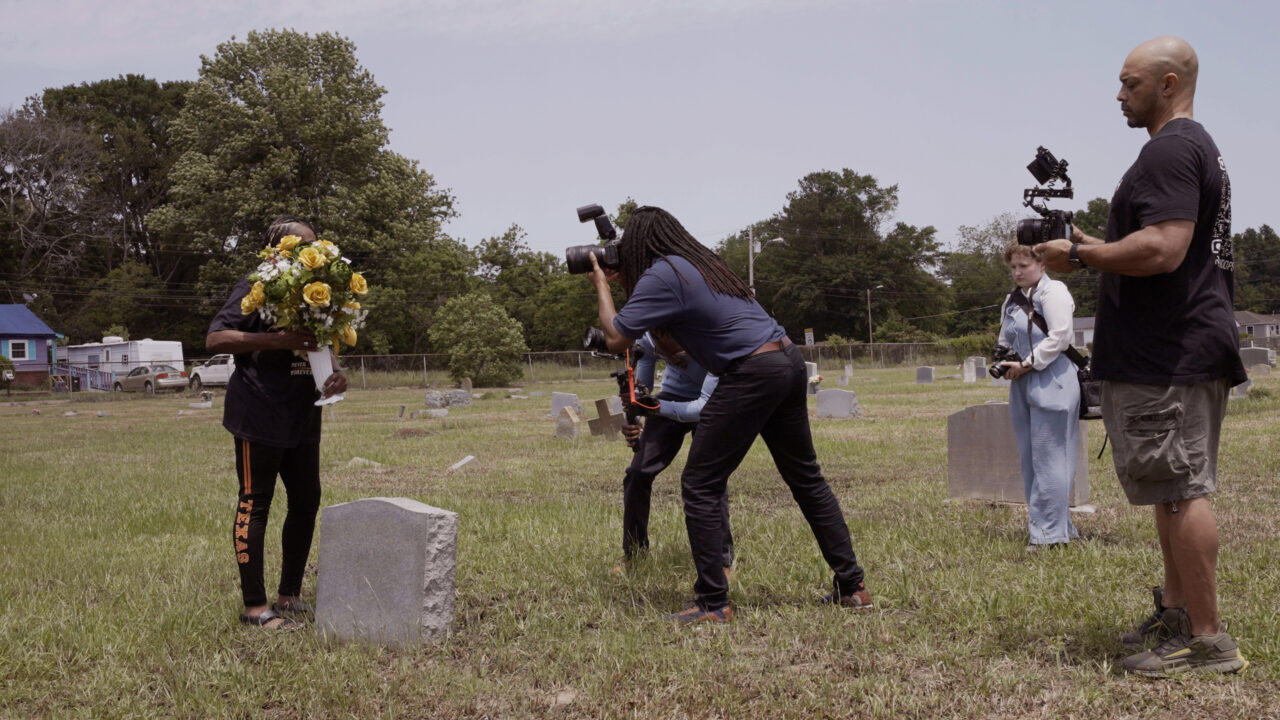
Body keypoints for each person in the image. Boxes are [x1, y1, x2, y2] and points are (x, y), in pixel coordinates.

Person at [1038, 36, 1247, 676]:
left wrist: (1079, 256)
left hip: (1170, 351)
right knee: (1169, 487)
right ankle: (1178, 615)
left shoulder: (1170, 149)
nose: (1119, 95)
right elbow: (1159, 242)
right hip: (1177, 344)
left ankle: (1209, 641)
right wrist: (1099, 245)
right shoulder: (1192, 147)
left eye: (1130, 83)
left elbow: (1163, 248)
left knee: (1182, 489)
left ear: (1167, 84)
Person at [590, 206, 871, 624]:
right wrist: (627, 280)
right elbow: (652, 318)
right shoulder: (699, 264)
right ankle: (853, 588)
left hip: (751, 372)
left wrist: (599, 280)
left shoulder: (663, 274)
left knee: (700, 482)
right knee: (806, 478)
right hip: (786, 360)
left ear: (640, 244)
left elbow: (615, 338)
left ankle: (713, 603)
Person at [206, 217, 349, 630]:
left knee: (306, 502)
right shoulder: (254, 287)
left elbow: (320, 345)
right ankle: (254, 608)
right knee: (256, 503)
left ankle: (289, 596)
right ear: (276, 249)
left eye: (314, 244)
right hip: (259, 411)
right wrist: (277, 340)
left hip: (303, 413)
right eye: (301, 244)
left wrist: (337, 373)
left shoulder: (316, 296)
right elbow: (216, 339)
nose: (311, 251)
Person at [616, 331, 732, 578]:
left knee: (709, 480)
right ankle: (634, 555)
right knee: (637, 474)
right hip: (672, 396)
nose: (674, 360)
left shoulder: (710, 335)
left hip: (711, 399)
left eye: (680, 354)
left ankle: (722, 561)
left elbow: (703, 407)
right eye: (666, 355)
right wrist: (635, 415)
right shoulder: (648, 337)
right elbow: (643, 390)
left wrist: (655, 408)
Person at [995, 242, 1080, 549]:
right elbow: (1004, 337)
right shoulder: (1012, 300)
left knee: (1051, 457)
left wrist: (1027, 363)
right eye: (1013, 267)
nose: (1017, 272)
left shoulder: (1053, 291)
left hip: (1052, 377)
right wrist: (1004, 360)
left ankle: (1048, 536)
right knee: (1030, 459)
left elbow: (1060, 337)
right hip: (1020, 381)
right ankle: (1057, 527)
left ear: (1042, 265)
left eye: (1024, 266)